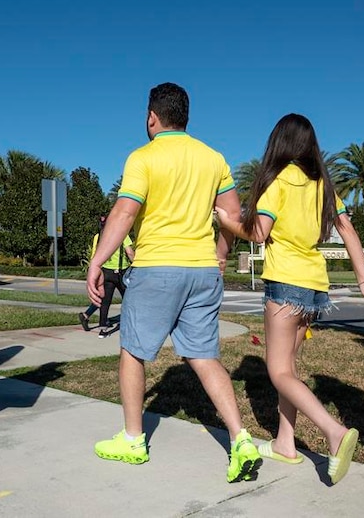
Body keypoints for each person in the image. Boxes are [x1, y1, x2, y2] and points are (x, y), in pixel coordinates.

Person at [86, 82, 261, 483]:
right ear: (185, 117)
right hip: (202, 271)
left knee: (133, 351)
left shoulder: (143, 158)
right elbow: (231, 215)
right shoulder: (213, 158)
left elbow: (125, 212)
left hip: (157, 267)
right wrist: (219, 255)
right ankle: (240, 438)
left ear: (152, 117)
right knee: (203, 356)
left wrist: (98, 261)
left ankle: (133, 440)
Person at [215, 113, 364, 485]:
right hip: (315, 288)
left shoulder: (278, 181)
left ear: (279, 143)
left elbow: (257, 233)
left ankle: (334, 433)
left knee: (279, 372)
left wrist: (225, 221)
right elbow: (347, 228)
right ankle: (286, 443)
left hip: (285, 284)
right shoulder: (323, 185)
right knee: (289, 369)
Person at [78, 214, 134, 338]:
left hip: (105, 272)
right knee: (129, 299)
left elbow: (95, 256)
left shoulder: (98, 237)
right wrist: (136, 263)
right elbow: (129, 252)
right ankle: (129, 324)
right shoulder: (121, 234)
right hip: (121, 272)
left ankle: (102, 329)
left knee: (105, 301)